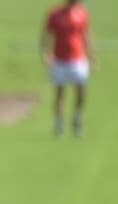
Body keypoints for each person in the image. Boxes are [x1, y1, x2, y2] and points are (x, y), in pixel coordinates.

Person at [42, 0, 94, 136]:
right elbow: (47, 34)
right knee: (60, 92)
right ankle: (60, 123)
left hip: (78, 58)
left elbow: (86, 34)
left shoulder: (82, 13)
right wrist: (46, 52)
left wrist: (91, 55)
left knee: (81, 91)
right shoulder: (55, 14)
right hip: (59, 59)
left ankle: (78, 117)